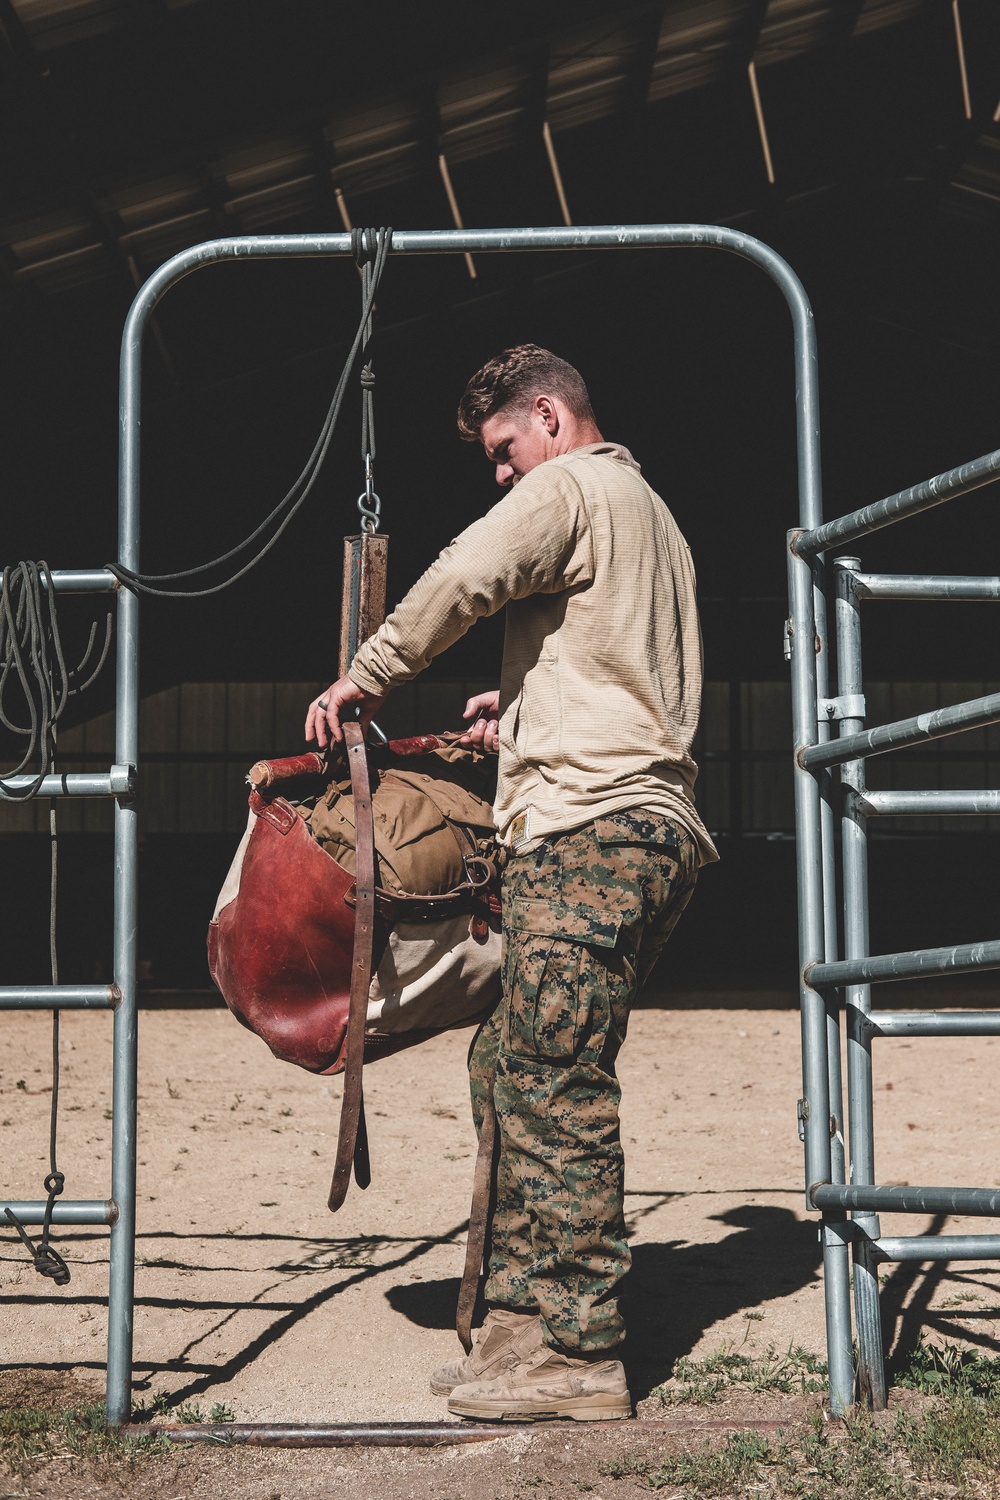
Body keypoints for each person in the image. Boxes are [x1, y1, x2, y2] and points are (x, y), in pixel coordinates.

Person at [305, 344, 717, 1422]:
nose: (500, 476)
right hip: (639, 820)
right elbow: (621, 672)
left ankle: (579, 1357)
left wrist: (370, 669)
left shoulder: (572, 487)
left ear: (548, 416)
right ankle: (526, 1325)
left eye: (502, 452)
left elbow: (468, 572)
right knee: (509, 1059)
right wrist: (520, 710)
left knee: (549, 1074)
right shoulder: (650, 516)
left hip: (592, 827)